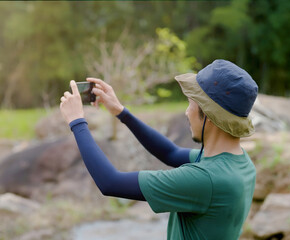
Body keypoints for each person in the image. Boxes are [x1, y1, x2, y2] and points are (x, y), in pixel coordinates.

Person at [60, 59, 258, 240]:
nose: (187, 112)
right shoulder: (239, 163)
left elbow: (110, 183)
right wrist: (121, 112)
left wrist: (77, 121)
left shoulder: (206, 180)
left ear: (209, 116)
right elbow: (170, 153)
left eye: (191, 104)